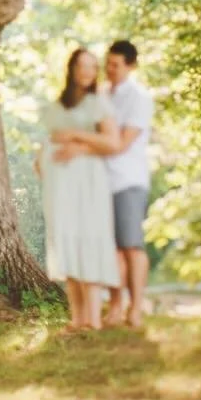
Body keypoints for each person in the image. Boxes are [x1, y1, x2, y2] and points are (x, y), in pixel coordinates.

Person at [52, 40, 154, 328]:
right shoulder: (101, 93)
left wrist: (79, 147)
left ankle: (136, 307)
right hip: (99, 182)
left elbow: (120, 144)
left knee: (130, 245)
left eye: (115, 65)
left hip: (127, 180)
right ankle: (116, 305)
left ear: (131, 66)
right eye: (107, 63)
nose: (109, 69)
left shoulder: (139, 98)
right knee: (109, 249)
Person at [36, 48, 122, 332]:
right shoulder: (58, 105)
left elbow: (112, 143)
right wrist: (42, 158)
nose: (87, 71)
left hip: (88, 183)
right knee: (66, 241)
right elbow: (50, 139)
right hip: (60, 185)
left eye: (92, 66)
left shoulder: (98, 103)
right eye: (82, 66)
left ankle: (93, 319)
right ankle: (77, 319)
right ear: (72, 68)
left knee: (88, 240)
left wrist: (78, 140)